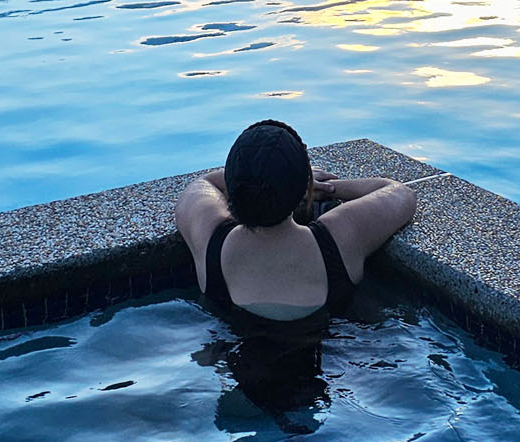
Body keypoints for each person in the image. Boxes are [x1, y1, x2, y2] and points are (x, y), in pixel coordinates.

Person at [175, 119, 416, 326]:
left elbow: (202, 184)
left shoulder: (210, 240)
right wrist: (320, 187)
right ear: (303, 187)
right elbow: (399, 193)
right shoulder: (339, 236)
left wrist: (249, 178)